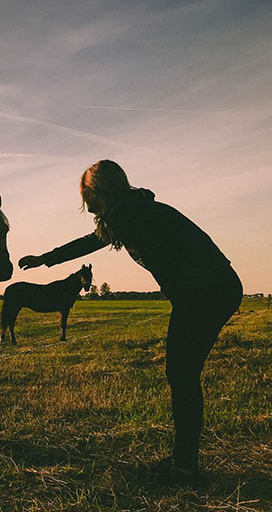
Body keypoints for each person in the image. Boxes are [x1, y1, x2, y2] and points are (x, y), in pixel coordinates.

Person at [19, 160, 242, 483]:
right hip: (212, 289)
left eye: (87, 195)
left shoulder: (128, 213)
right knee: (182, 374)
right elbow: (92, 241)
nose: (86, 204)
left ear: (100, 190)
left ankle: (184, 467)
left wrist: (46, 259)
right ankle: (185, 462)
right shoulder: (130, 210)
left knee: (181, 374)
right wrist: (47, 259)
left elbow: (96, 242)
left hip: (207, 292)